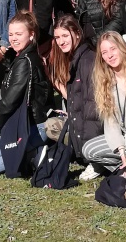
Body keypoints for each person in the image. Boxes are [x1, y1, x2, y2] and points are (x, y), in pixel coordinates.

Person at [0, 12, 54, 176]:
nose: (13, 38)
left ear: (32, 34)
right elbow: (7, 95)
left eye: (19, 34)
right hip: (20, 125)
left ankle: (33, 155)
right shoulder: (18, 58)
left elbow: (11, 100)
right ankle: (32, 153)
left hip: (33, 126)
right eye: (11, 34)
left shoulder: (26, 61)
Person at [82, 31, 126, 175]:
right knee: (88, 149)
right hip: (124, 139)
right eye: (104, 52)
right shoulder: (107, 82)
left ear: (122, 48)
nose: (110, 55)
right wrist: (122, 152)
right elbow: (110, 122)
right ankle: (125, 167)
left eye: (113, 49)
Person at [46, 15, 106, 178]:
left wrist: (88, 151)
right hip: (78, 126)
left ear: (77, 33)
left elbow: (92, 108)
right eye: (57, 37)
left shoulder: (88, 60)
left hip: (94, 135)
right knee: (51, 126)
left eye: (65, 36)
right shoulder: (74, 58)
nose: (61, 41)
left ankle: (97, 162)